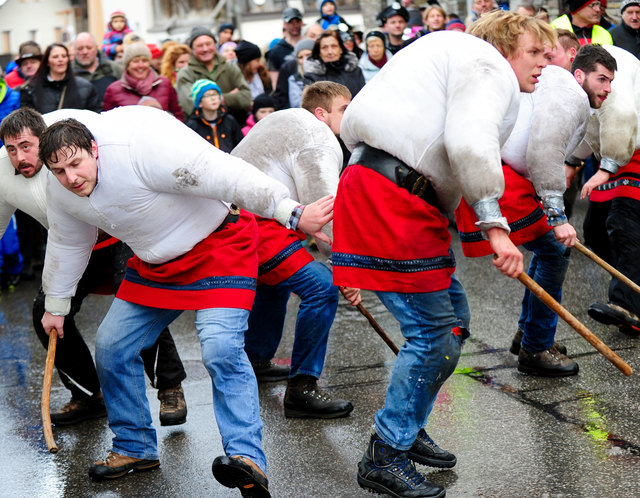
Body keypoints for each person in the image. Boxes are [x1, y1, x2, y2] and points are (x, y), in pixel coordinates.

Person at [37, 105, 334, 491]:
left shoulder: (141, 149)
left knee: (221, 350)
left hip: (218, 247)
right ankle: (135, 446)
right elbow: (67, 242)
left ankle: (246, 458)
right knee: (111, 347)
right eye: (59, 171)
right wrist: (56, 304)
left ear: (94, 149)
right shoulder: (60, 190)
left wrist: (291, 213)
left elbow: (226, 173)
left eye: (75, 164)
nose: (70, 178)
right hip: (156, 264)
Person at [332, 11, 554, 496]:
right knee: (434, 334)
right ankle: (385, 453)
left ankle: (405, 429)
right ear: (504, 47)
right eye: (535, 52)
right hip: (391, 197)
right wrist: (496, 228)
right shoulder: (485, 63)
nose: (546, 61)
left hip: (401, 194)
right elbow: (469, 142)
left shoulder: (454, 54)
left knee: (451, 323)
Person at [0, 107, 189, 427]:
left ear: (42, 139)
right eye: (11, 149)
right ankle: (88, 394)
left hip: (118, 236)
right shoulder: (3, 173)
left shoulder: (67, 150)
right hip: (69, 247)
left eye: (26, 146)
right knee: (44, 313)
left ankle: (170, 387)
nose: (19, 157)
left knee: (138, 300)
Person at [456, 46, 618, 377]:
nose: (607, 88)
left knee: (552, 253)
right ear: (579, 74)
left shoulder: (573, 94)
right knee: (554, 249)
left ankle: (529, 336)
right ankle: (535, 346)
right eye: (601, 79)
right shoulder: (569, 93)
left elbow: (571, 147)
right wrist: (558, 218)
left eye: (611, 81)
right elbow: (544, 149)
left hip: (507, 174)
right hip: (499, 176)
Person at [231, 85, 358, 419]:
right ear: (321, 114)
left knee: (276, 281)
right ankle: (302, 389)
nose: (351, 114)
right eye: (344, 109)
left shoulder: (287, 120)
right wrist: (344, 269)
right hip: (251, 224)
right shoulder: (316, 135)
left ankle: (257, 359)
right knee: (322, 287)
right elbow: (324, 205)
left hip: (243, 218)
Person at [571, 45, 640, 336]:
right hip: (613, 154)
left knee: (623, 226)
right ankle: (634, 289)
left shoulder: (603, 72)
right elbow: (591, 124)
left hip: (631, 151)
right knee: (595, 230)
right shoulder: (577, 79)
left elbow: (621, 114)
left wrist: (605, 169)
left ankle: (627, 305)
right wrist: (572, 161)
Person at [176, 26, 251, 120]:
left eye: (208, 44)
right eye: (199, 46)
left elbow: (246, 97)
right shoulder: (186, 74)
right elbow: (190, 106)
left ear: (215, 45)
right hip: (200, 130)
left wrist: (218, 99)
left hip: (232, 126)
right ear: (192, 49)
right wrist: (230, 97)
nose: (205, 49)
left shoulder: (230, 67)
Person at [102, 42, 183, 121]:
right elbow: (108, 122)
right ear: (127, 65)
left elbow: (177, 115)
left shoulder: (164, 84)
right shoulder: (113, 90)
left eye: (144, 61)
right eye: (136, 61)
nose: (140, 65)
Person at [20, 43, 101, 114]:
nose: (60, 60)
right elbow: (28, 122)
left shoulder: (85, 86)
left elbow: (95, 116)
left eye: (64, 56)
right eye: (55, 57)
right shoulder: (31, 89)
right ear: (47, 62)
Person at [303, 31, 365, 98]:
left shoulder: (355, 71)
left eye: (334, 46)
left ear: (341, 49)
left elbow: (363, 98)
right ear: (319, 52)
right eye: (325, 47)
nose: (330, 52)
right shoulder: (311, 77)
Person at [186, 79, 243, 152]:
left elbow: (240, 146)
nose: (213, 98)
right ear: (199, 103)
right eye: (208, 96)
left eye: (215, 94)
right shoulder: (193, 126)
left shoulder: (230, 121)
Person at [73, 32, 123, 105]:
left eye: (89, 48)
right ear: (74, 50)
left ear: (96, 48)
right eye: (80, 48)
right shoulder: (68, 72)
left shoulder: (114, 68)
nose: (85, 52)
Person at [266, 8, 305, 88]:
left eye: (297, 21)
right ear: (284, 24)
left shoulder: (310, 45)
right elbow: (275, 84)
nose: (295, 25)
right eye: (291, 22)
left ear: (301, 23)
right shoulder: (276, 51)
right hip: (288, 94)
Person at [273, 38, 315, 110]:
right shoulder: (294, 79)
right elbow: (293, 104)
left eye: (308, 55)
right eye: (300, 57)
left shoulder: (328, 72)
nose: (305, 60)